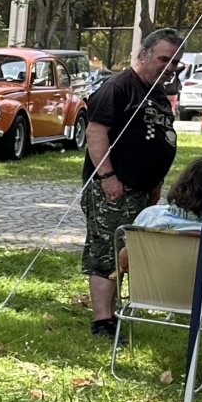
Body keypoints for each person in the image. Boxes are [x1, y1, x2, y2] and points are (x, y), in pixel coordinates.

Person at [81, 27, 182, 338]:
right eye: (165, 59)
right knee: (106, 251)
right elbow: (95, 133)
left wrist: (155, 182)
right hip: (114, 186)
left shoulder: (157, 92)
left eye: (176, 63)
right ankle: (102, 322)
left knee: (125, 252)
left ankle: (112, 314)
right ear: (144, 55)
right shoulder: (119, 86)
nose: (170, 68)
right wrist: (109, 177)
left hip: (140, 189)